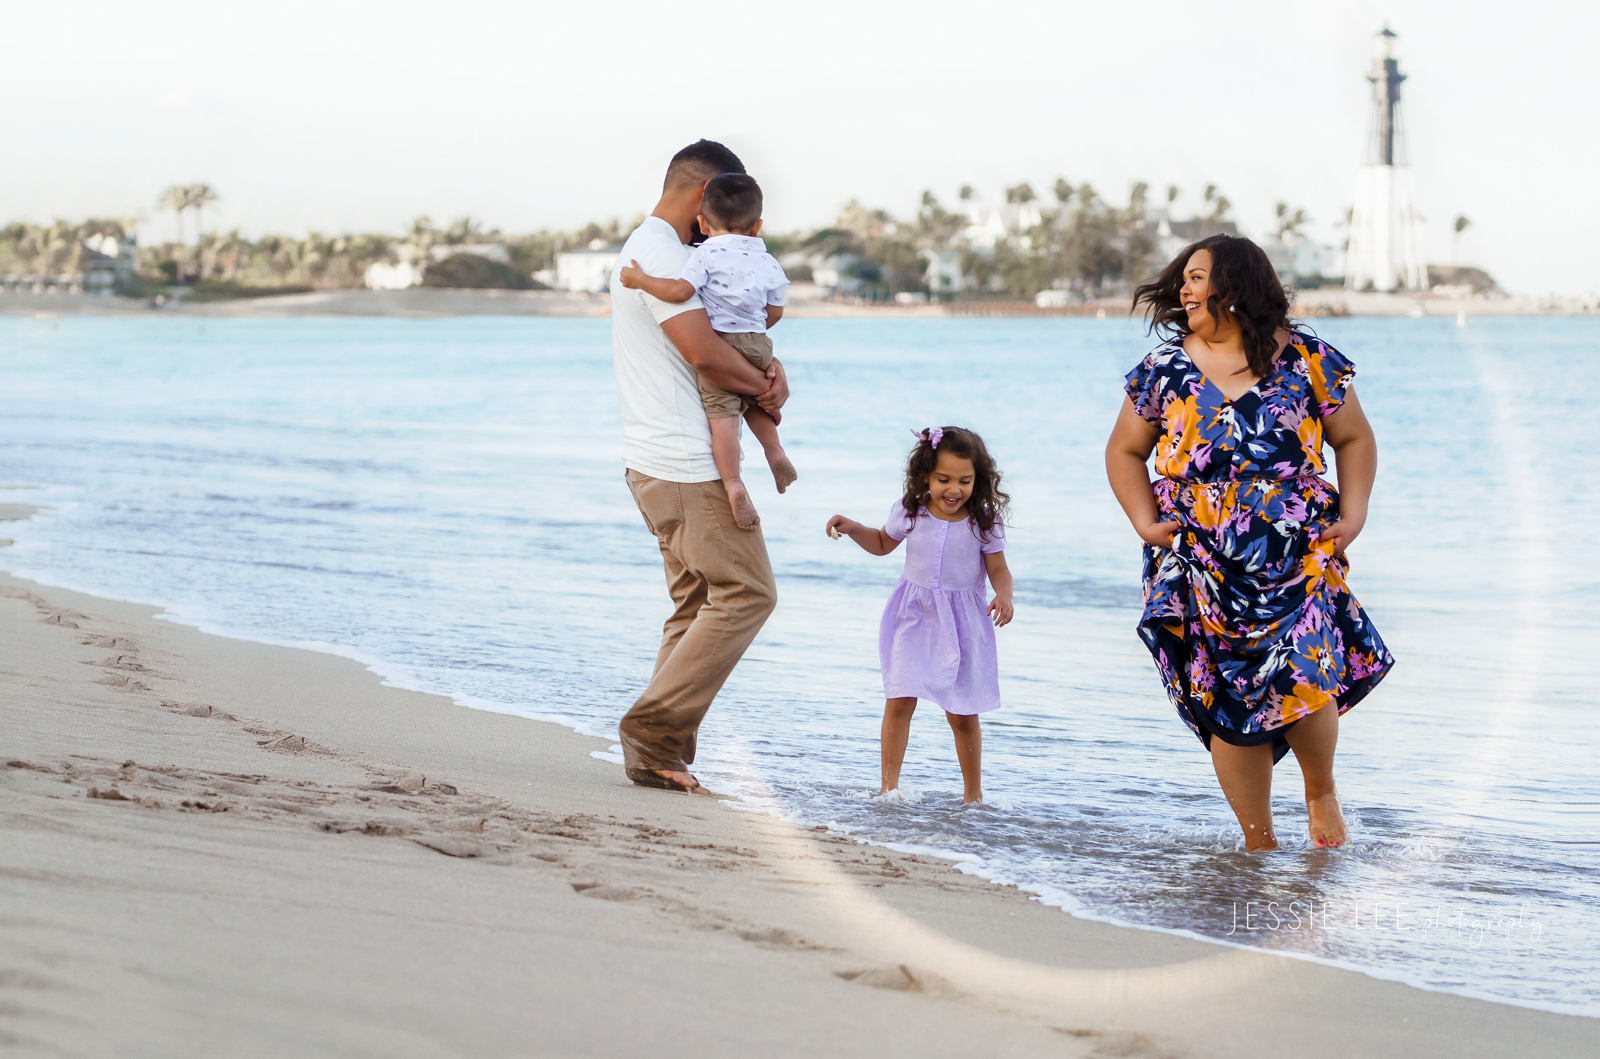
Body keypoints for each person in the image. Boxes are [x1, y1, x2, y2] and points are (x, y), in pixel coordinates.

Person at [1105, 234, 1394, 851]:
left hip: (1297, 546)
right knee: (1227, 697)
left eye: (1199, 277)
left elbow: (1355, 438)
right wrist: (1142, 519)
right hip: (1199, 554)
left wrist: (1356, 510)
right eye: (1183, 278)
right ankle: (1258, 842)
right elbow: (1125, 451)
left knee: (1306, 670)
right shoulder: (1164, 371)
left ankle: (1320, 792)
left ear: (1234, 287)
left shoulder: (1309, 358)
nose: (1185, 288)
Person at [610, 140, 788, 794]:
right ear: (704, 192)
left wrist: (767, 370)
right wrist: (763, 388)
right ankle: (652, 732)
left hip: (658, 460)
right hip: (686, 464)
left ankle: (658, 756)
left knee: (694, 605)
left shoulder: (666, 254)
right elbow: (706, 353)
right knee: (748, 593)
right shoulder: (659, 255)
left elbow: (731, 336)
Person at [826, 427, 1014, 805]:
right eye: (943, 479)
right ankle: (888, 788)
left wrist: (1004, 595)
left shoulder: (984, 520)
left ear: (978, 480)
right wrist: (852, 528)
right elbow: (881, 544)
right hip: (913, 615)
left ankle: (973, 796)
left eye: (965, 480)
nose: (954, 489)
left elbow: (999, 569)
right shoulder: (910, 511)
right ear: (925, 476)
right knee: (900, 698)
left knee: (962, 712)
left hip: (963, 623)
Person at [617, 173, 795, 531]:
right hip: (758, 342)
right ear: (757, 225)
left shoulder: (704, 255)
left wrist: (640, 281)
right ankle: (775, 451)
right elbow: (774, 310)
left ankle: (733, 484)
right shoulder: (767, 259)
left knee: (724, 420)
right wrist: (756, 338)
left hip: (722, 339)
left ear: (703, 220)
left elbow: (680, 293)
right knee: (756, 402)